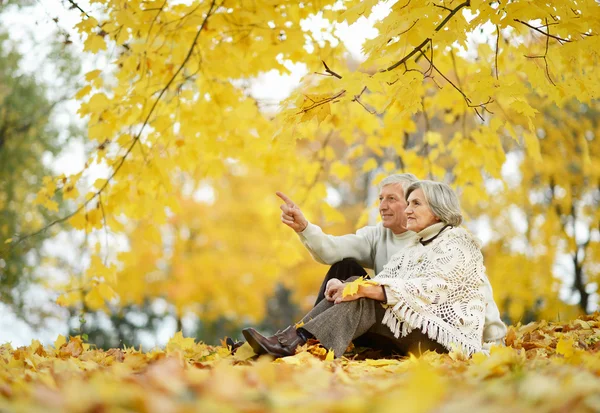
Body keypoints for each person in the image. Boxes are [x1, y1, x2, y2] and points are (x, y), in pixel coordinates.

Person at [243, 181, 505, 358]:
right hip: (412, 329)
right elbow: (384, 280)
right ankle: (289, 340)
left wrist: (496, 339)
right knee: (357, 282)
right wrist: (347, 287)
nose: (407, 209)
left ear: (437, 212)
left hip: (446, 342)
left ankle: (296, 343)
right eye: (408, 202)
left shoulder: (457, 243)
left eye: (415, 204)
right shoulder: (416, 246)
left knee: (364, 293)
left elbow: (433, 289)